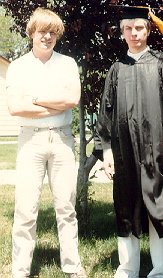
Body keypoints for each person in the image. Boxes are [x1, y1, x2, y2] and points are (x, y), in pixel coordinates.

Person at [95, 6, 163, 278]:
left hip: (158, 150)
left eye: (139, 28)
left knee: (158, 207)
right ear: (122, 32)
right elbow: (106, 114)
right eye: (128, 28)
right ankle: (127, 269)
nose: (134, 33)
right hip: (124, 152)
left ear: (148, 30)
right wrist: (107, 151)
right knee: (126, 207)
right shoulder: (115, 70)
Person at [6, 7, 87, 278]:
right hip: (31, 142)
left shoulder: (67, 64)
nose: (47, 37)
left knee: (66, 207)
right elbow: (15, 108)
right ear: (32, 33)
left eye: (53, 32)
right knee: (26, 209)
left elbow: (71, 101)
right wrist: (54, 103)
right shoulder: (18, 67)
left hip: (62, 140)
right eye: (42, 31)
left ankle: (73, 268)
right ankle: (20, 270)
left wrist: (36, 100)